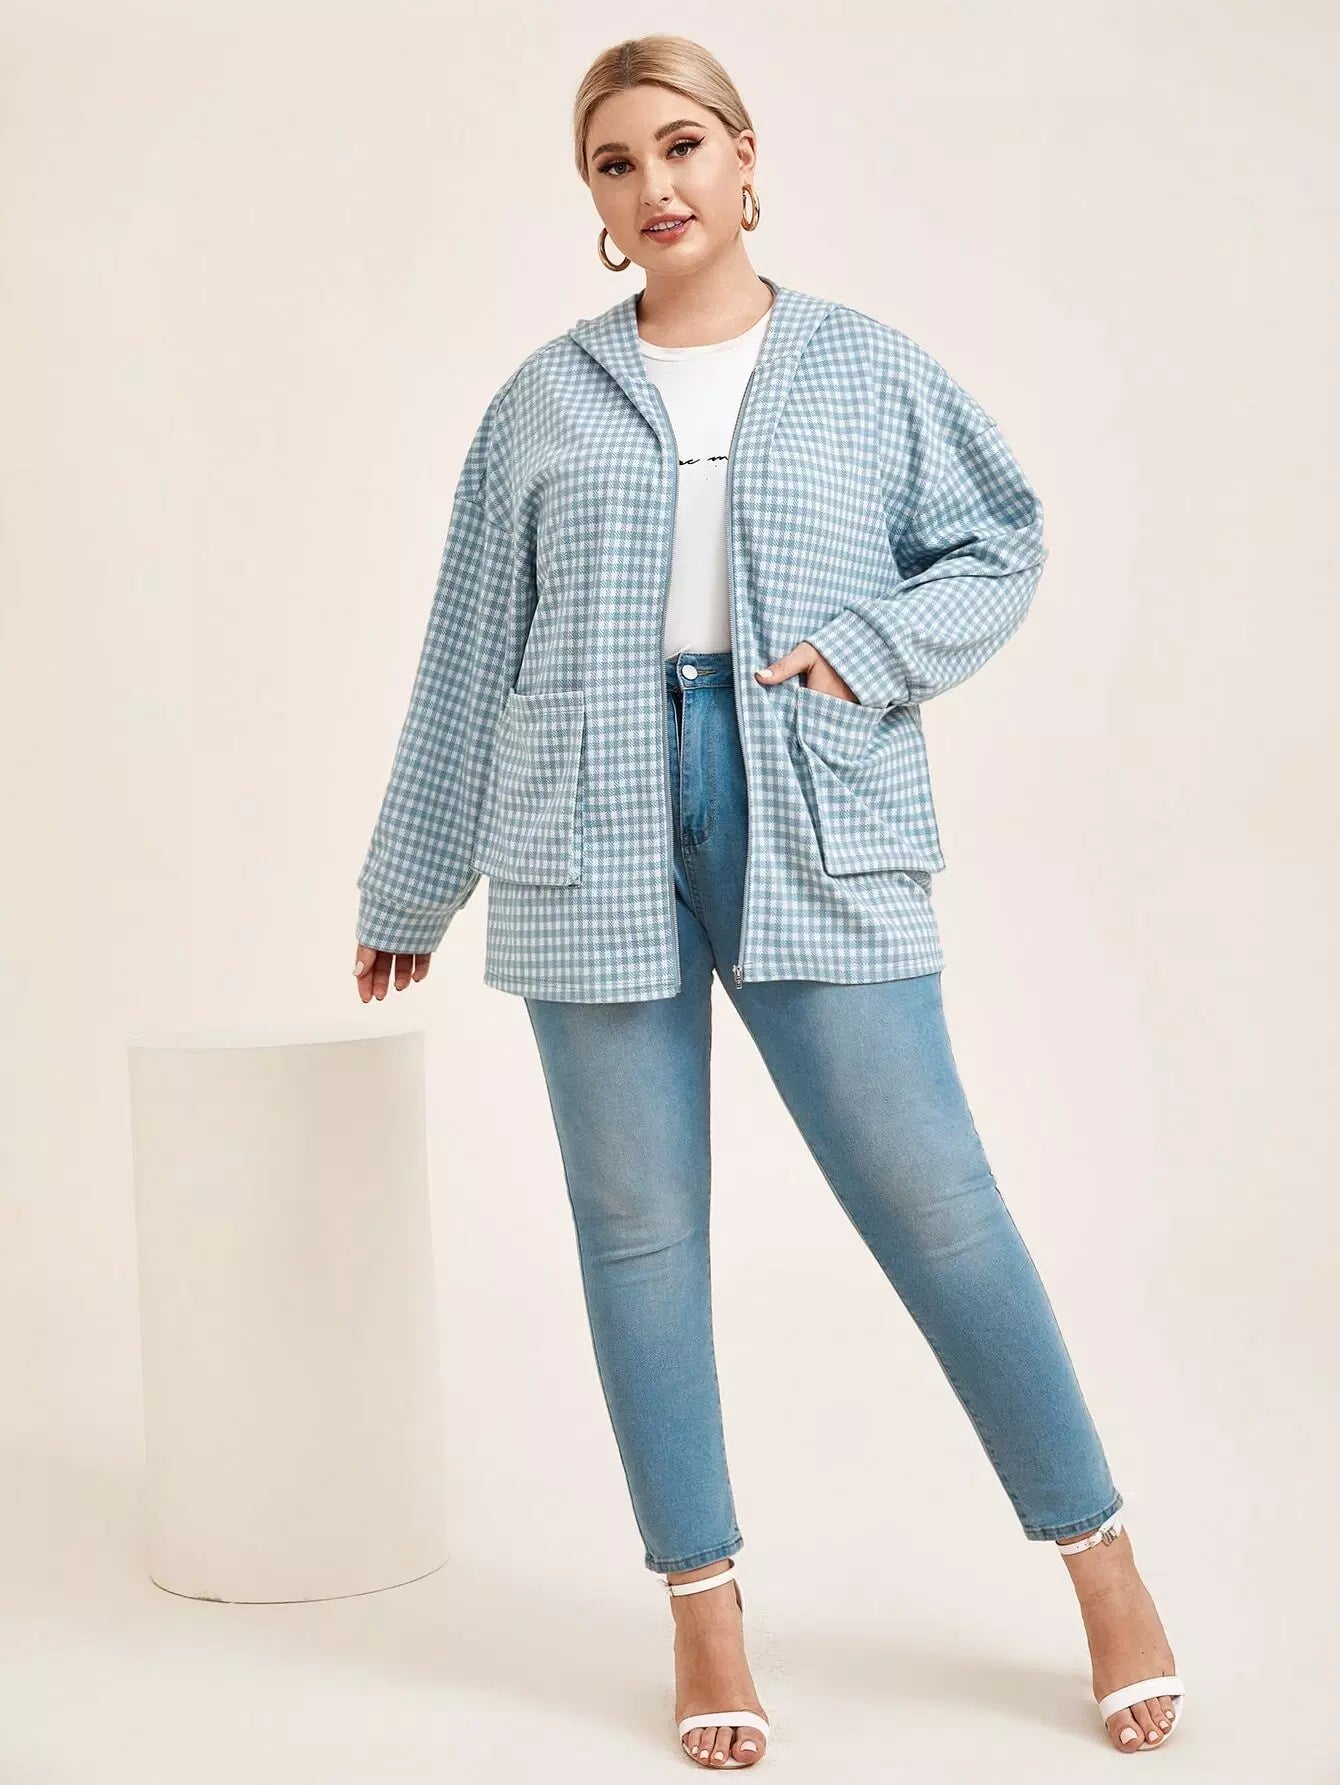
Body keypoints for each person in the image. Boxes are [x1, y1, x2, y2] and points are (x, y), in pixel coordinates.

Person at [352, 34, 1183, 1770]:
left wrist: (868, 650)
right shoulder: (540, 403)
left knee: (938, 1202)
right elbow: (466, 649)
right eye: (614, 163)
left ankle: (1101, 1558)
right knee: (637, 1231)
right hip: (585, 816)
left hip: (811, 797)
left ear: (744, 157)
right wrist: (413, 879)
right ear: (593, 201)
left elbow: (1002, 537)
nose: (654, 185)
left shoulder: (867, 368)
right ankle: (704, 1605)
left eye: (680, 146)